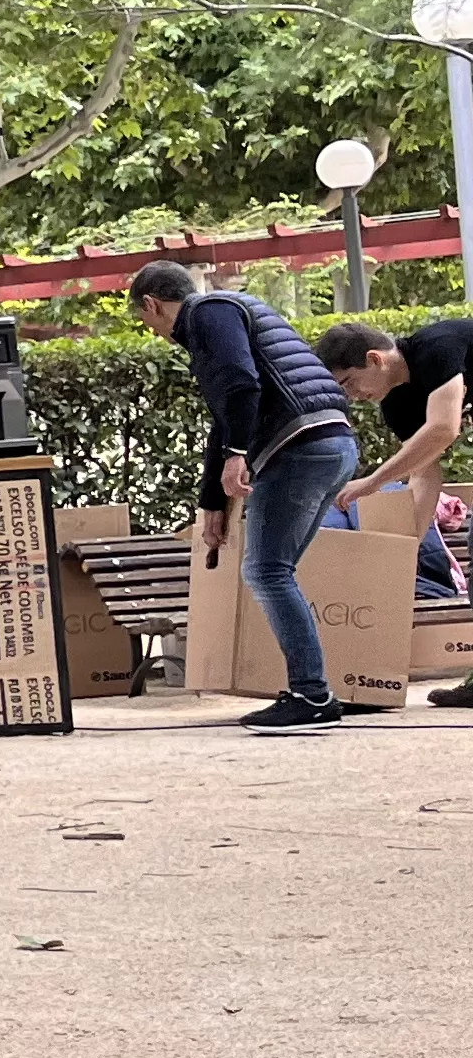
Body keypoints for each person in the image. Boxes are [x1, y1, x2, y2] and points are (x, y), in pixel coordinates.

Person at [131, 261, 360, 728]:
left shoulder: (206, 312)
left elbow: (240, 384)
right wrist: (211, 503)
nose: (153, 333)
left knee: (266, 570)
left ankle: (312, 696)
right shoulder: (227, 312)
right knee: (277, 570)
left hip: (298, 445)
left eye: (146, 321)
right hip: (332, 444)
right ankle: (313, 692)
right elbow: (226, 414)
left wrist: (238, 455)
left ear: (152, 304)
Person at [317, 315, 471, 691]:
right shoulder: (398, 405)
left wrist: (373, 481)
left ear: (374, 359)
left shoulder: (438, 345)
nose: (352, 396)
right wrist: (409, 548)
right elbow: (424, 473)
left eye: (349, 382)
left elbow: (443, 428)